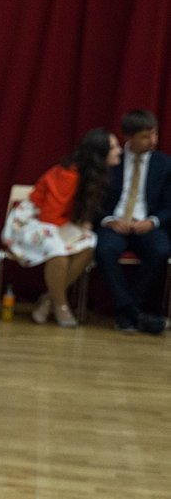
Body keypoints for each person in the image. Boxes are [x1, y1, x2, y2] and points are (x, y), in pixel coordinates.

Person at [4, 128, 120, 328]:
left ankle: (49, 299)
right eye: (114, 147)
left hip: (58, 222)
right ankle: (61, 306)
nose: (119, 150)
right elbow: (48, 216)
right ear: (99, 154)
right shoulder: (68, 174)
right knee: (58, 251)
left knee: (89, 242)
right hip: (30, 221)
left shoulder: (92, 175)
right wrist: (72, 229)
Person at [96, 110, 170, 334]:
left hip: (147, 224)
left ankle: (127, 313)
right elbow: (93, 200)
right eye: (145, 136)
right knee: (104, 250)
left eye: (154, 134)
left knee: (160, 250)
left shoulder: (164, 164)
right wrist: (109, 220)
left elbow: (169, 206)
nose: (153, 141)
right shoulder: (111, 160)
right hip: (115, 223)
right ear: (129, 136)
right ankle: (135, 314)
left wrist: (153, 222)